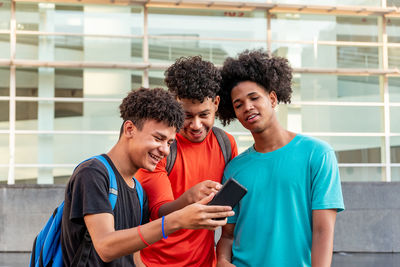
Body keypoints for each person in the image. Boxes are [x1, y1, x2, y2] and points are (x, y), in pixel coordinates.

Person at [60, 88, 234, 266]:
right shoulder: (93, 173)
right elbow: (106, 247)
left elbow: (135, 255)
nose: (165, 150)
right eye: (158, 138)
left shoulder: (138, 191)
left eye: (169, 143)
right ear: (129, 129)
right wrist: (179, 219)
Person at [216, 50, 345, 267]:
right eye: (238, 104)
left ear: (273, 98)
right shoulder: (234, 169)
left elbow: (323, 231)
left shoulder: (318, 154)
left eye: (254, 98)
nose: (247, 107)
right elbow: (227, 235)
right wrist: (221, 260)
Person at [135, 56, 238, 267]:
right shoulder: (161, 147)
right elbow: (159, 213)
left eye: (204, 114)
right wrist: (189, 198)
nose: (196, 125)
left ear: (216, 103)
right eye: (187, 116)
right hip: (154, 263)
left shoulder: (226, 144)